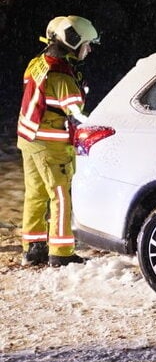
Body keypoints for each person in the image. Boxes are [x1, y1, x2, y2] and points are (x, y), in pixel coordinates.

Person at [16, 15, 99, 267]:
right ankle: (61, 253)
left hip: (29, 139)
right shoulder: (62, 75)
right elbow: (77, 114)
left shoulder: (37, 63)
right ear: (73, 42)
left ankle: (33, 247)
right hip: (51, 146)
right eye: (87, 43)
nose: (90, 49)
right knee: (61, 196)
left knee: (36, 194)